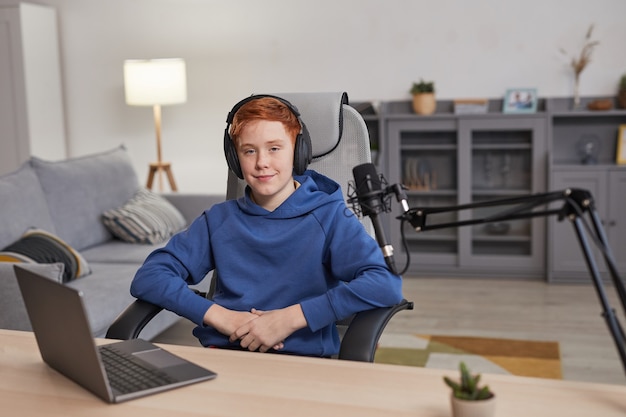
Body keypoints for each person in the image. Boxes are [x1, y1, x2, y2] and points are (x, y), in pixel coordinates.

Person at [130, 94, 404, 357]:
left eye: (274, 148)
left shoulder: (330, 217)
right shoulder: (219, 220)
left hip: (300, 361)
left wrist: (290, 319)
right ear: (235, 159)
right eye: (249, 151)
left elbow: (385, 284)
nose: (262, 163)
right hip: (223, 356)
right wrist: (221, 317)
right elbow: (150, 277)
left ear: (298, 152)